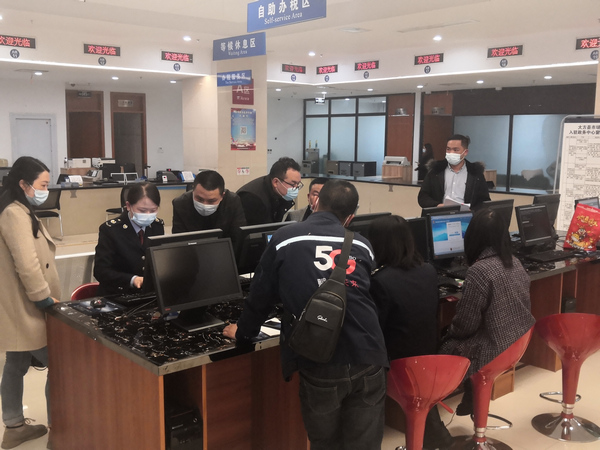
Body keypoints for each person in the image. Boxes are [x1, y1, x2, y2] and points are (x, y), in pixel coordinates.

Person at [223, 180, 388, 450]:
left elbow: (260, 297)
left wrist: (243, 332)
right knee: (365, 445)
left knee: (326, 443)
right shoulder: (362, 244)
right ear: (350, 217)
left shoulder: (285, 237)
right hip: (369, 354)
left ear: (316, 201)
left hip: (320, 357)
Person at [368, 215, 453, 450]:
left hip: (397, 365)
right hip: (428, 358)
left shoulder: (380, 281)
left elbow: (375, 330)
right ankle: (436, 435)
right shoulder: (428, 270)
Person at [439, 208, 535, 415]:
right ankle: (472, 392)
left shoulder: (479, 270)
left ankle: (435, 407)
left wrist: (447, 333)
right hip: (518, 342)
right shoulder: (515, 262)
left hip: (495, 347)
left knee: (442, 344)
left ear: (473, 237)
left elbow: (465, 324)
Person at [0, 156, 60, 449]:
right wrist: (43, 298)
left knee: (16, 362)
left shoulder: (18, 208)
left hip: (18, 305)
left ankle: (14, 426)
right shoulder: (14, 213)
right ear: (24, 184)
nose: (46, 191)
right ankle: (59, 429)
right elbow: (27, 263)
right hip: (28, 305)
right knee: (60, 365)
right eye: (43, 185)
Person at [94, 182, 164, 296]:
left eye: (153, 210)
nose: (148, 215)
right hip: (117, 294)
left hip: (147, 294)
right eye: (142, 210)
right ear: (128, 206)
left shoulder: (157, 226)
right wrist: (132, 279)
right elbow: (101, 271)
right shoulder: (111, 230)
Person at [171, 170, 246, 246]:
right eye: (199, 199)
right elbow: (179, 242)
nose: (204, 205)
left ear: (222, 196)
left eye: (211, 201)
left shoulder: (232, 202)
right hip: (191, 250)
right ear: (193, 191)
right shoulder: (180, 204)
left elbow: (238, 239)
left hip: (226, 249)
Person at [418, 134, 490, 210]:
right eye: (448, 149)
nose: (451, 153)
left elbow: (484, 201)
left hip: (466, 215)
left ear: (465, 152)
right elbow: (423, 197)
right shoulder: (436, 170)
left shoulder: (475, 173)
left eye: (456, 150)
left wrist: (472, 211)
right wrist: (438, 205)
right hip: (439, 214)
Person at [237, 157, 302, 225]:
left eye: (298, 184)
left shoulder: (281, 194)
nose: (296, 188)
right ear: (275, 182)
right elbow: (257, 230)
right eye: (293, 184)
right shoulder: (251, 198)